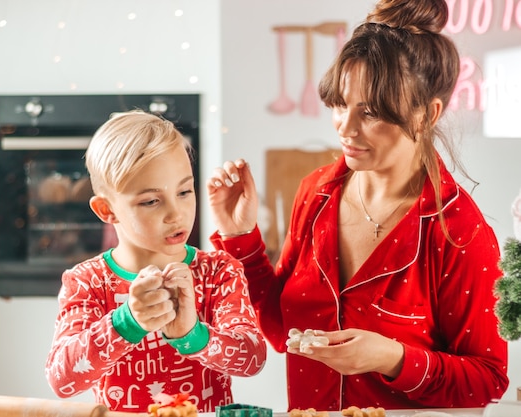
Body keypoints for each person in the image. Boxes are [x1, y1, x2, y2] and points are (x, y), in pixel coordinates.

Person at [207, 0, 509, 412]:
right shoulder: (315, 193)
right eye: (339, 104)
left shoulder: (459, 234)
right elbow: (283, 332)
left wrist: (393, 358)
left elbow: (486, 381)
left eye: (369, 112)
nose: (345, 128)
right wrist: (240, 236)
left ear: (426, 115)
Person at [45, 110, 267, 412]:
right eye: (151, 201)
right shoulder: (88, 281)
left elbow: (252, 358)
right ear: (106, 210)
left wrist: (193, 335)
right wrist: (126, 323)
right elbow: (62, 380)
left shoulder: (218, 271)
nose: (176, 214)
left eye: (185, 191)